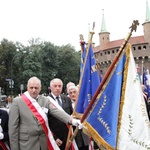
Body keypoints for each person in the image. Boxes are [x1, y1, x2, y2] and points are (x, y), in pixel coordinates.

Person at [8, 76, 82, 150]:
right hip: (26, 144)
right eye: (31, 87)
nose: (33, 90)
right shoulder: (17, 102)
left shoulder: (45, 100)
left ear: (40, 88)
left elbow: (56, 111)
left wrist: (72, 120)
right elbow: (13, 129)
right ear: (27, 87)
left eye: (36, 88)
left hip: (43, 143)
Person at [47, 78, 75, 150]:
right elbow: (46, 122)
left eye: (59, 86)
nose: (57, 88)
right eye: (55, 86)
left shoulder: (67, 99)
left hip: (68, 136)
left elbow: (72, 116)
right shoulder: (46, 101)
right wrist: (54, 138)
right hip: (56, 138)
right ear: (51, 88)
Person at [68, 85, 90, 150]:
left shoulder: (84, 103)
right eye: (71, 93)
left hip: (85, 133)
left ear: (78, 93)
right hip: (75, 135)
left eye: (74, 92)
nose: (73, 94)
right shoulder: (67, 104)